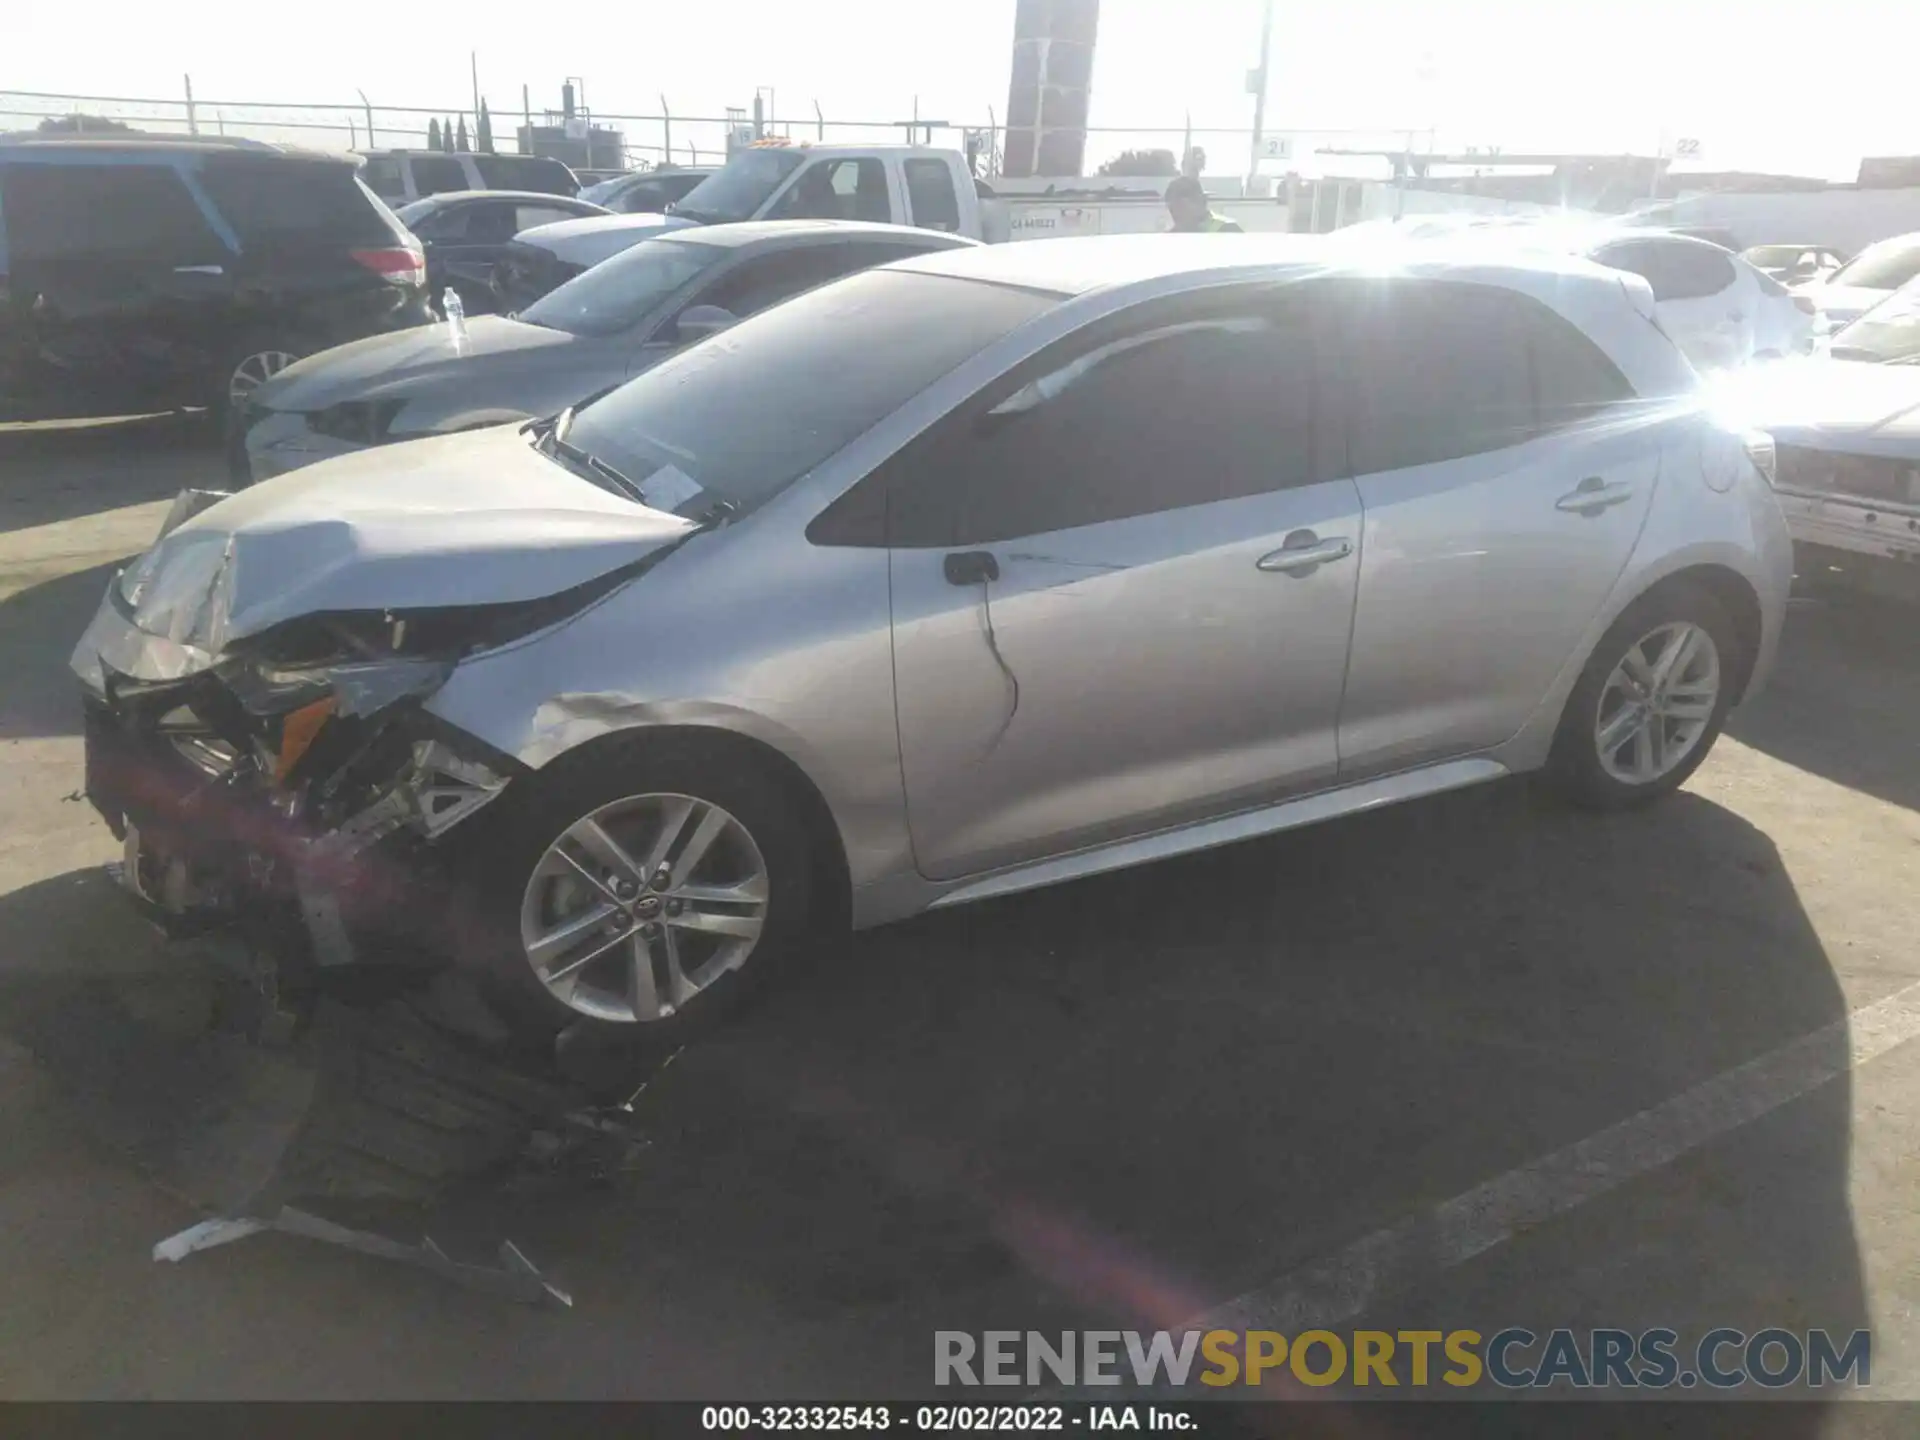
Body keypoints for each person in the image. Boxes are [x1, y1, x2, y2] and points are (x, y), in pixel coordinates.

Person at [1165, 176, 1243, 233]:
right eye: (1171, 209)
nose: (1174, 213)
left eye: (1181, 207)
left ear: (1202, 202)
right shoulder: (1171, 237)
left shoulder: (1228, 229)